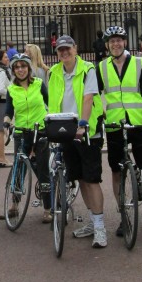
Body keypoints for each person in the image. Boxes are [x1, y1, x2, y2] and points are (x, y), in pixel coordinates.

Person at [98, 27, 142, 240]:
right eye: (112, 41)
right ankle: (123, 216)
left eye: (119, 40)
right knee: (117, 171)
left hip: (138, 124)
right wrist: (102, 114)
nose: (116, 44)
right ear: (108, 45)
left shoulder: (139, 63)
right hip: (114, 125)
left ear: (124, 42)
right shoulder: (102, 67)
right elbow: (94, 94)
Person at [48, 35, 107, 248]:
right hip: (65, 131)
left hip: (87, 131)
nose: (64, 53)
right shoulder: (53, 72)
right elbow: (52, 102)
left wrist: (82, 125)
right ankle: (93, 222)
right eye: (60, 50)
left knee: (92, 180)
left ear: (76, 48)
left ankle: (100, 227)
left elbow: (88, 98)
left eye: (68, 49)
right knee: (80, 178)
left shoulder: (88, 69)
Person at [3, 53, 52, 222]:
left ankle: (48, 208)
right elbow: (9, 111)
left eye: (23, 66)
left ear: (29, 68)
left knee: (43, 170)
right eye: (17, 67)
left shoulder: (38, 84)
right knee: (20, 169)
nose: (20, 70)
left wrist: (53, 119)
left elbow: (51, 103)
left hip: (41, 131)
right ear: (13, 70)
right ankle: (15, 204)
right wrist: (6, 123)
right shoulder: (11, 89)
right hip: (21, 133)